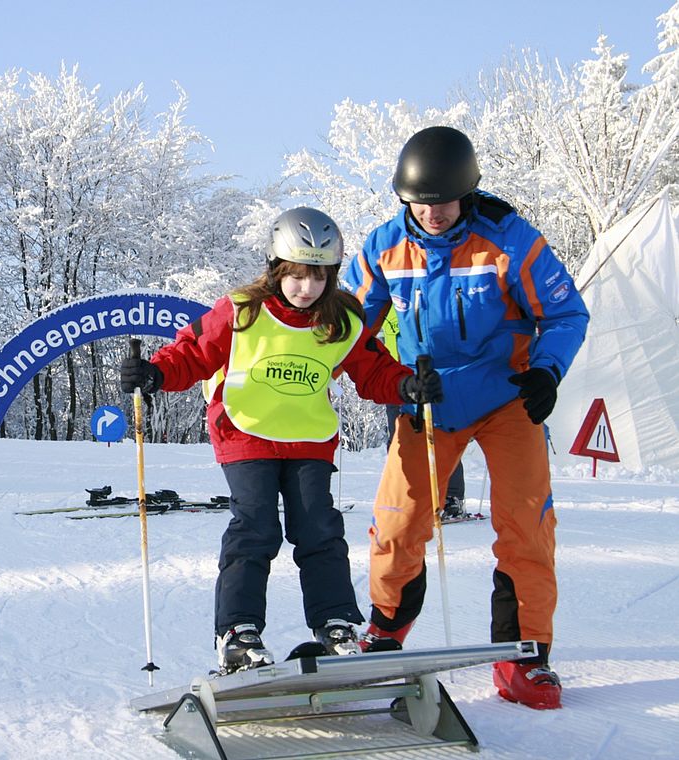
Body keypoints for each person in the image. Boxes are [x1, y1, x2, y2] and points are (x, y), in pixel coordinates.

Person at [120, 207, 442, 675]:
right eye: (296, 275)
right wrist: (154, 373)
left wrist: (408, 386)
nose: (306, 288)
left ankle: (336, 626)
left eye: (318, 276)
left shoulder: (344, 319)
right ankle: (238, 633)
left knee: (319, 528)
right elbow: (193, 352)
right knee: (255, 527)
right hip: (246, 431)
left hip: (308, 437)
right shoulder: (243, 311)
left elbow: (374, 369)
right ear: (276, 268)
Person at [342, 126, 590, 710]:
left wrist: (546, 371)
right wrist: (387, 377)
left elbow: (565, 313)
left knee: (527, 525)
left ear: (468, 193)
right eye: (420, 203)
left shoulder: (510, 240)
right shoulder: (382, 248)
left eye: (444, 202)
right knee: (399, 522)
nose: (432, 213)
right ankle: (385, 631)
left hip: (508, 398)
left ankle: (524, 653)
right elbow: (348, 327)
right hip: (425, 401)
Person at [379, 309, 466, 518]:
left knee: (441, 437)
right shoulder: (384, 304)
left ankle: (452, 497)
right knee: (399, 440)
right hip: (398, 379)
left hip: (430, 379)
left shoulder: (416, 302)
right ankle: (408, 498)